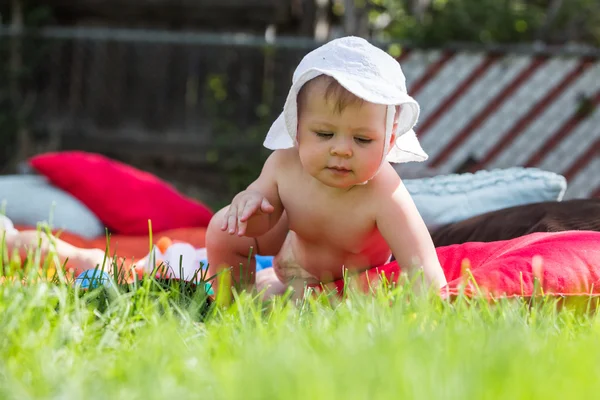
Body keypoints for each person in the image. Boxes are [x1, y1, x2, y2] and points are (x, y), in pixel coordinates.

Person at [207, 36, 447, 299]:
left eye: (362, 139)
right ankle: (232, 306)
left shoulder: (385, 192)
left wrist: (429, 305)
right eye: (324, 134)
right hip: (291, 263)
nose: (341, 150)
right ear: (296, 129)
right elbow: (259, 222)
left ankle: (274, 293)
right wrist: (249, 201)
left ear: (389, 141)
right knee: (224, 226)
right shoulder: (285, 163)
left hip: (353, 285)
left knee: (290, 303)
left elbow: (421, 266)